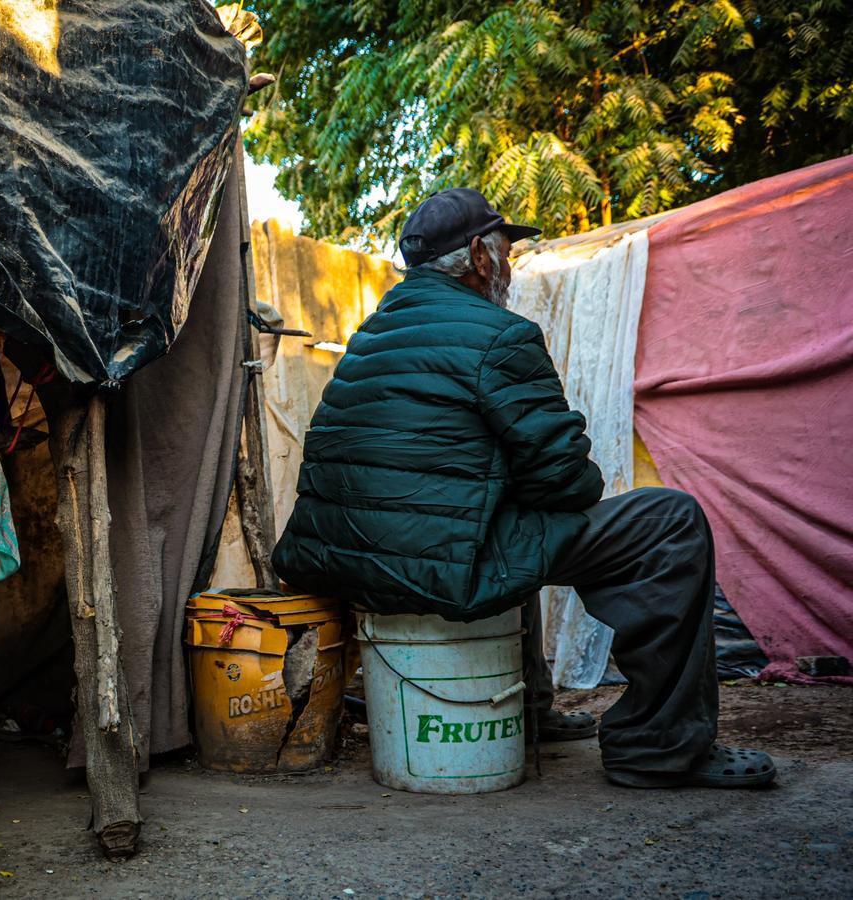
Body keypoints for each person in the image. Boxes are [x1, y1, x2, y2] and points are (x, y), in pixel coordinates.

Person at [271, 188, 776, 788]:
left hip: (342, 566)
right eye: (505, 251)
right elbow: (566, 479)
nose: (508, 266)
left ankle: (528, 707)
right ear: (481, 259)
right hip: (435, 570)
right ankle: (659, 747)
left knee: (507, 525)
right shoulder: (500, 334)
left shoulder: (370, 338)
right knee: (669, 521)